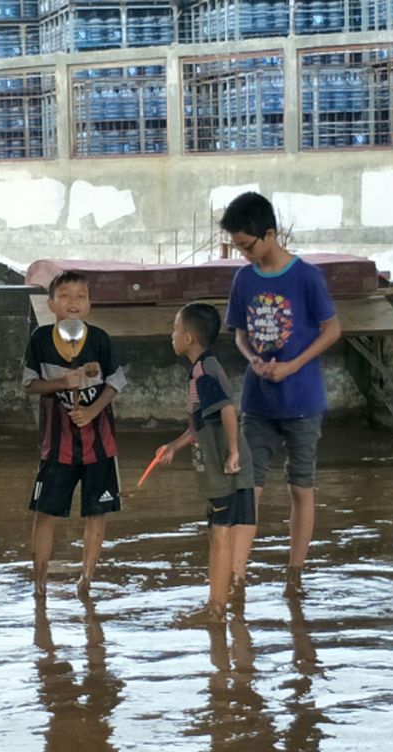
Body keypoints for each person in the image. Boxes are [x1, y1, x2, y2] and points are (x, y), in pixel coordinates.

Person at [222, 191, 341, 597]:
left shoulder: (306, 277)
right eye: (238, 247)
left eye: (247, 245)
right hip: (258, 401)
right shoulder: (244, 279)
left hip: (303, 401)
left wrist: (292, 365)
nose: (243, 255)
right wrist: (252, 357)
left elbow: (332, 330)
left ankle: (295, 572)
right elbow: (239, 334)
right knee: (247, 487)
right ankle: (237, 576)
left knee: (300, 487)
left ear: (269, 234)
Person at [22, 270, 127, 598]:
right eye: (65, 296)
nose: (73, 302)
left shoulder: (99, 339)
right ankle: (39, 585)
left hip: (100, 445)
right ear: (51, 304)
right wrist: (60, 384)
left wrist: (92, 412)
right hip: (56, 447)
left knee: (97, 514)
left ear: (89, 304)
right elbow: (29, 384)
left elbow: (116, 382)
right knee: (45, 513)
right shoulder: (40, 340)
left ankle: (86, 581)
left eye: (81, 296)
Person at [155, 303, 257, 621]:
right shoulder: (202, 369)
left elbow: (227, 411)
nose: (171, 336)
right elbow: (201, 424)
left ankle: (216, 608)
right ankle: (216, 604)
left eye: (174, 329)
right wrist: (174, 446)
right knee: (217, 531)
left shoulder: (203, 372)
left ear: (187, 338)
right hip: (217, 462)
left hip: (223, 466)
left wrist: (233, 453)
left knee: (220, 533)